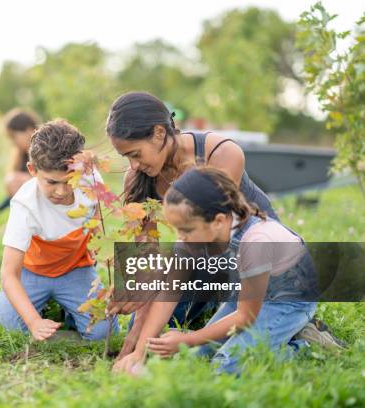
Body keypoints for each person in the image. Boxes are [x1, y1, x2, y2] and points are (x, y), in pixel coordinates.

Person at [105, 91, 343, 357]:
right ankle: (221, 311)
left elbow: (192, 253)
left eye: (135, 154)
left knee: (223, 323)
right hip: (201, 253)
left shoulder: (221, 154)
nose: (133, 166)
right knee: (160, 332)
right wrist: (137, 312)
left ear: (159, 133)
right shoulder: (138, 178)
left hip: (252, 258)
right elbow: (147, 258)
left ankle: (295, 328)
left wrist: (143, 340)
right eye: (126, 157)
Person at [112, 167, 321, 374]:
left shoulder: (256, 241)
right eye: (177, 229)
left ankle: (301, 348)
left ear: (219, 220)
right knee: (199, 356)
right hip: (248, 297)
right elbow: (170, 291)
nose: (180, 237)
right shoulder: (203, 231)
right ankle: (274, 336)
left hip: (288, 300)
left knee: (227, 366)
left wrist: (189, 338)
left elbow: (245, 316)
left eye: (185, 230)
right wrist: (139, 353)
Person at [0, 119, 117, 341]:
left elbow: (97, 225)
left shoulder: (91, 182)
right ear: (32, 170)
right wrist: (33, 321)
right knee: (9, 329)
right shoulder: (24, 205)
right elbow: (9, 274)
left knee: (103, 333)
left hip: (76, 270)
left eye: (69, 181)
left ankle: (71, 311)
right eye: (51, 182)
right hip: (32, 273)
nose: (61, 192)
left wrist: (106, 256)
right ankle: (42, 311)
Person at [0, 109, 40, 226]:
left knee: (14, 180)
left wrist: (27, 181)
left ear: (29, 130)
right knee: (13, 180)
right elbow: (18, 193)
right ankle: (21, 224)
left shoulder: (44, 152)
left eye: (14, 136)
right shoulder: (23, 155)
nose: (13, 142)